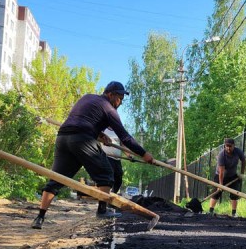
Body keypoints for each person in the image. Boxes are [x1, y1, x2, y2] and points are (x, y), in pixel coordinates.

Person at [31, 81, 154, 229]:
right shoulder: (109, 109)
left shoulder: (87, 98)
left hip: (63, 137)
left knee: (57, 178)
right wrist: (144, 154)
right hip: (82, 139)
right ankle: (102, 210)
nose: (120, 102)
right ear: (110, 94)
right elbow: (125, 137)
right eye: (119, 98)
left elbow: (81, 119)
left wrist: (99, 133)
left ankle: (40, 217)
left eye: (122, 99)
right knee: (107, 175)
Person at [209, 137, 246, 217]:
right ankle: (210, 211)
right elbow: (221, 171)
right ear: (225, 146)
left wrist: (242, 173)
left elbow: (243, 161)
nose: (228, 148)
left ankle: (234, 213)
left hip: (233, 176)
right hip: (220, 176)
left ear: (234, 146)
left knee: (235, 194)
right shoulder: (221, 155)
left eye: (230, 146)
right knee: (216, 193)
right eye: (227, 146)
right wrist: (220, 185)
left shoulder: (238, 151)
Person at [101, 128, 123, 194]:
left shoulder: (118, 131)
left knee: (119, 178)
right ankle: (104, 199)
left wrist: (129, 156)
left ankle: (113, 194)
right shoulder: (103, 129)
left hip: (117, 160)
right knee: (109, 177)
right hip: (107, 157)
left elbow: (122, 146)